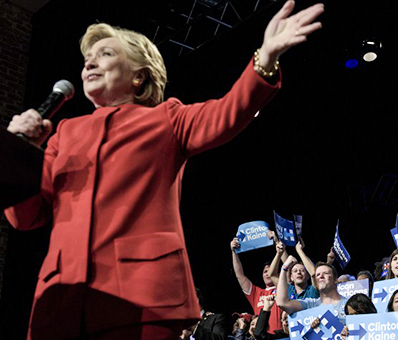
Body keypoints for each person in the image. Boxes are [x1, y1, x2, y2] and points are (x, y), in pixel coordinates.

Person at [4, 1, 325, 338]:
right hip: (62, 300)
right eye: (88, 59)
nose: (90, 63)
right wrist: (18, 154)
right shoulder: (64, 134)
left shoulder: (165, 119)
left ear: (139, 74)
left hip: (140, 297)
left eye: (105, 54)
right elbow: (25, 218)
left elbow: (226, 113)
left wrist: (266, 57)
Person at [231, 238, 284, 333]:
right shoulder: (256, 293)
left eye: (271, 270)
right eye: (265, 272)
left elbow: (289, 265)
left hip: (282, 336)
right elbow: (240, 276)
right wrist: (234, 252)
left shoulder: (284, 289)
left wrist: (278, 244)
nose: (267, 274)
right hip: (262, 337)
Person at [275, 256, 348, 323]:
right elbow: (282, 303)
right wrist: (284, 268)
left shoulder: (348, 304)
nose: (321, 276)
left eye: (325, 273)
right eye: (318, 275)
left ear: (335, 279)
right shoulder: (311, 305)